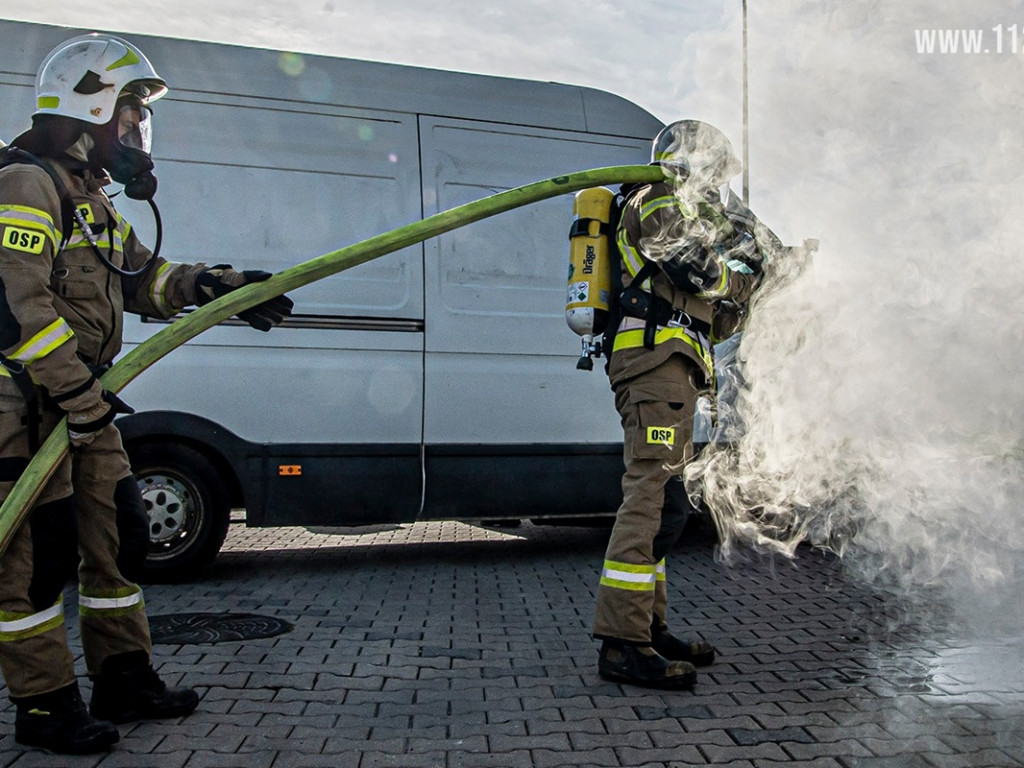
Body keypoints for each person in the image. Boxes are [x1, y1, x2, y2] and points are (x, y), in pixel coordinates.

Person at [0, 33, 293, 754]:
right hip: (29, 408)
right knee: (34, 568)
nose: (135, 132)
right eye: (129, 114)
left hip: (82, 409)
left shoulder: (90, 199)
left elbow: (145, 278)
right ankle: (44, 704)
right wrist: (79, 397)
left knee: (120, 541)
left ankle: (123, 678)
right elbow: (17, 310)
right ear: (88, 103)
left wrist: (222, 290)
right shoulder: (25, 184)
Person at [593, 119, 782, 688]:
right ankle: (622, 643)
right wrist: (744, 273)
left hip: (675, 375)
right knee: (647, 497)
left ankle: (648, 627)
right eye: (715, 174)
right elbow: (697, 269)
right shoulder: (654, 201)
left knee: (668, 508)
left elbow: (717, 319)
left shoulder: (686, 215)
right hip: (653, 370)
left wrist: (767, 278)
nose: (719, 189)